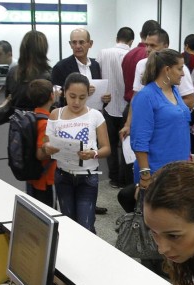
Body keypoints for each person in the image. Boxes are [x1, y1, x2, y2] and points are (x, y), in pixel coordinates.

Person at [45, 73, 110, 232]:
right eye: (72, 96)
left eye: (82, 97)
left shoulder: (95, 115)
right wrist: (48, 148)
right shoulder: (56, 114)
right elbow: (46, 144)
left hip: (87, 176)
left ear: (88, 95)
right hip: (63, 176)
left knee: (86, 225)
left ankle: (89, 256)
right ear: (64, 92)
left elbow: (106, 148)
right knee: (68, 224)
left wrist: (93, 153)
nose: (76, 102)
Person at [129, 49, 191, 194]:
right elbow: (139, 140)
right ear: (167, 70)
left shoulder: (174, 91)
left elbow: (170, 121)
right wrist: (145, 175)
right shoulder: (146, 97)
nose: (183, 73)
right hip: (157, 171)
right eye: (180, 69)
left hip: (179, 168)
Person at [98, 27, 134, 187]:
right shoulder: (131, 56)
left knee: (110, 144)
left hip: (107, 105)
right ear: (131, 41)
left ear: (116, 38)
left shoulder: (103, 53)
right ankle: (125, 178)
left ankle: (113, 178)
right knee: (126, 145)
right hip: (126, 107)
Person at [51, 28, 103, 106]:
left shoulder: (95, 65)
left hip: (93, 113)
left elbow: (98, 91)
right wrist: (82, 91)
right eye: (74, 42)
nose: (77, 46)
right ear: (70, 44)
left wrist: (104, 99)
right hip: (71, 115)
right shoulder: (60, 67)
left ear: (90, 44)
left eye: (81, 42)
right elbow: (56, 97)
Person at [26, 79, 57, 207]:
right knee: (49, 212)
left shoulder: (33, 116)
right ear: (51, 95)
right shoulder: (46, 123)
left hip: (33, 175)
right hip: (46, 178)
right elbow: (41, 154)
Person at [5, 30, 51, 111]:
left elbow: (8, 98)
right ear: (44, 49)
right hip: (42, 121)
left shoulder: (12, 72)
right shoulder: (49, 75)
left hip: (17, 120)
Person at [122, 20, 161, 104]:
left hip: (130, 103)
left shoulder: (128, 55)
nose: (149, 49)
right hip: (148, 105)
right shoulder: (153, 57)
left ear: (140, 34)